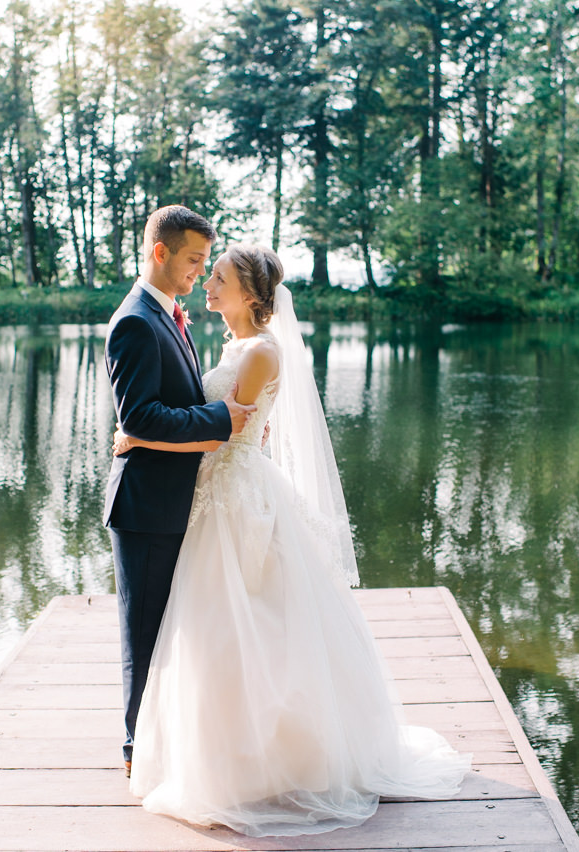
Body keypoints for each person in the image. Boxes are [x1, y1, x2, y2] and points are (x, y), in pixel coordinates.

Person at [113, 245, 472, 837]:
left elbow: (226, 435)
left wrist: (139, 439)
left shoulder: (260, 352)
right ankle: (221, 748)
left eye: (219, 278)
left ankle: (269, 759)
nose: (208, 284)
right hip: (214, 494)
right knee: (216, 628)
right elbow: (215, 418)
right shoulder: (233, 346)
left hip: (237, 496)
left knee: (249, 622)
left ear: (250, 295)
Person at [103, 205, 256, 779]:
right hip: (145, 506)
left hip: (175, 499)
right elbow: (141, 416)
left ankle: (164, 741)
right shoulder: (136, 321)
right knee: (143, 634)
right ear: (160, 253)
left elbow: (162, 408)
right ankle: (135, 752)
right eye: (193, 260)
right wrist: (221, 420)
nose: (199, 271)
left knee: (171, 630)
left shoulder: (167, 313)